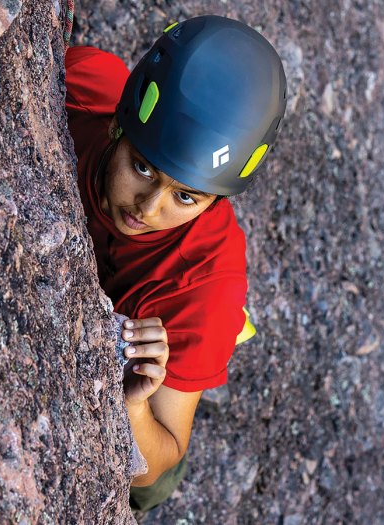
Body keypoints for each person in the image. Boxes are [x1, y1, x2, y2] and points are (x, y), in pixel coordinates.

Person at [64, 15, 287, 512]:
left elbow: (157, 458)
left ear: (214, 202)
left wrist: (134, 404)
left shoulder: (205, 287)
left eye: (185, 196)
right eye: (142, 166)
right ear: (118, 123)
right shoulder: (79, 85)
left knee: (147, 487)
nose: (146, 208)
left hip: (151, 415)